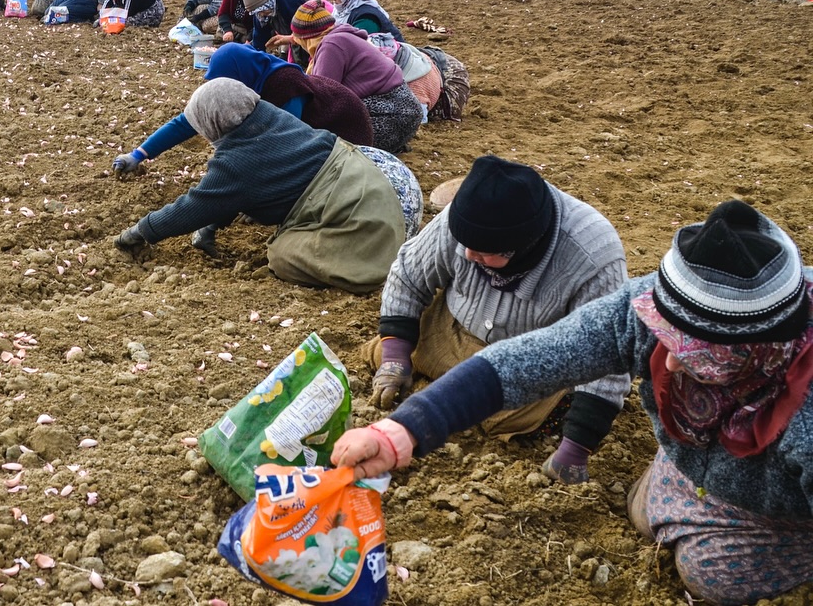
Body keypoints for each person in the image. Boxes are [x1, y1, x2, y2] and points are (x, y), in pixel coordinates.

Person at [333, 199, 813, 606]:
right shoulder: (653, 308)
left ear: (761, 348)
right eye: (667, 339)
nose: (667, 364)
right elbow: (530, 360)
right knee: (643, 516)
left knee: (711, 576)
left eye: (697, 356)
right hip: (699, 464)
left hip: (780, 509)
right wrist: (402, 431)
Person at [365, 154, 631, 476]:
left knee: (533, 415)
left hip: (532, 363)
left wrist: (576, 449)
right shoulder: (468, 216)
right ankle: (421, 367)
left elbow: (608, 352)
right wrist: (395, 357)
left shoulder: (592, 255)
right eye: (465, 244)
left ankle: (454, 389)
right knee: (384, 352)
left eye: (483, 252)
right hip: (450, 330)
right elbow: (408, 274)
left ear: (522, 247)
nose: (466, 254)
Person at [112, 78, 410, 292]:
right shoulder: (268, 115)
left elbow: (193, 206)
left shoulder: (237, 162)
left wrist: (139, 231)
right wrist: (211, 226)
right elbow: (235, 192)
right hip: (378, 186)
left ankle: (362, 267)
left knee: (282, 255)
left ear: (214, 123)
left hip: (364, 220)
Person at [113, 43, 374, 176]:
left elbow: (289, 141)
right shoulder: (247, 83)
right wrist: (138, 154)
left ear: (240, 76)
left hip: (347, 135)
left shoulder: (284, 84)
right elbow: (188, 120)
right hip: (314, 136)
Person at [283, 0, 422, 153]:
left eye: (298, 37)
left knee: (326, 137)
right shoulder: (342, 35)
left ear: (307, 37)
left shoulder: (331, 46)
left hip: (391, 118)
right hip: (406, 114)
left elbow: (322, 96)